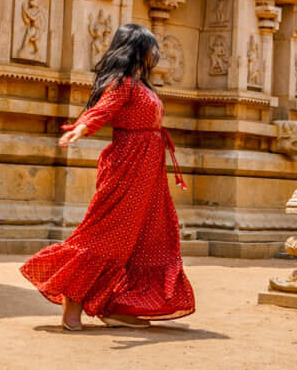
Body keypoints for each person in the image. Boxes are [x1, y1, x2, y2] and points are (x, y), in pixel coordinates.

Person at [20, 23, 195, 331]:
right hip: (127, 170)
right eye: (154, 47)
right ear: (139, 50)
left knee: (147, 240)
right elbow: (102, 110)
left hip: (149, 175)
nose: (159, 53)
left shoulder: (142, 85)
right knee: (105, 237)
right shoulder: (123, 83)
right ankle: (70, 311)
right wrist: (80, 128)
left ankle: (118, 306)